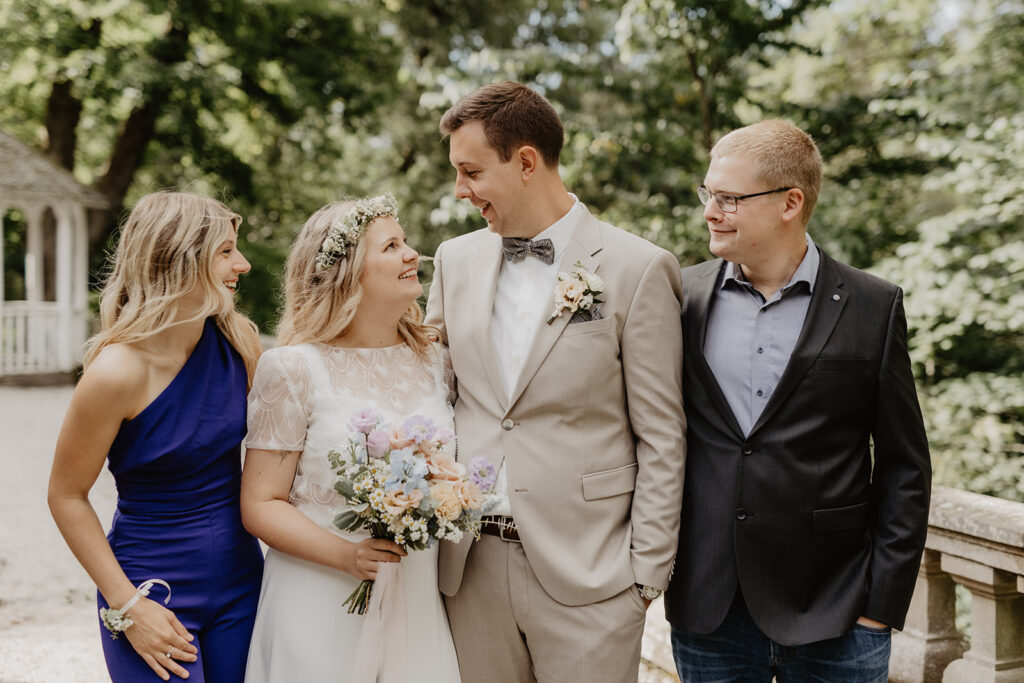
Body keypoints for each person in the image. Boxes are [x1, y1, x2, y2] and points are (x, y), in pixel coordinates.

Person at [425, 81, 686, 682]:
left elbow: (663, 436)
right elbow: (431, 396)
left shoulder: (638, 268)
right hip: (470, 572)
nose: (460, 191)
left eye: (470, 172)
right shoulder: (454, 260)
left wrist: (643, 580)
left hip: (592, 581)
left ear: (524, 162)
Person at [664, 120, 932, 682]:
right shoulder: (678, 296)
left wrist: (878, 609)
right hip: (709, 610)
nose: (710, 211)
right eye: (707, 193)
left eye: (729, 198)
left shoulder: (873, 305)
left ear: (790, 202)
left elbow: (905, 468)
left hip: (836, 614)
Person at [240, 194, 460, 683]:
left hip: (416, 591)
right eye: (392, 246)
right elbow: (260, 503)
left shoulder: (434, 359)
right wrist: (348, 556)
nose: (411, 255)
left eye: (405, 243)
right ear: (349, 273)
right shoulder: (294, 367)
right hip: (320, 595)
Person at [48, 192, 265, 682]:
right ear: (182, 259)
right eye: (226, 251)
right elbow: (66, 496)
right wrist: (128, 605)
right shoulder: (115, 373)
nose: (243, 264)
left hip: (243, 584)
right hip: (151, 590)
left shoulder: (239, 343)